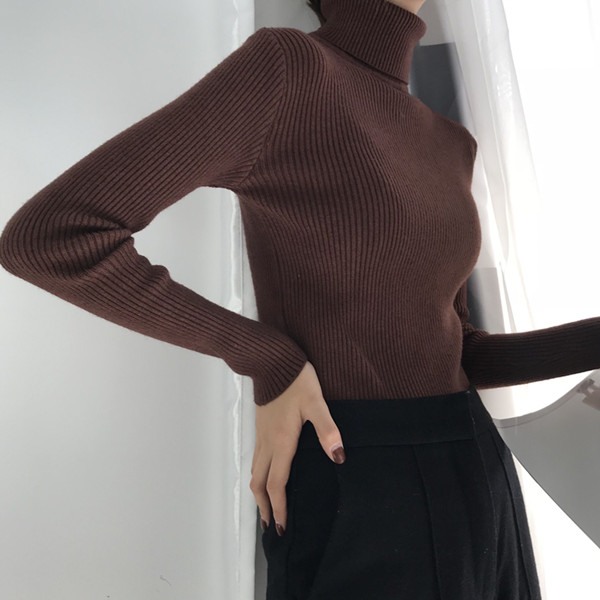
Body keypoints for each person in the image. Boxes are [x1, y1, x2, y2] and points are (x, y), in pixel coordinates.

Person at [2, 0, 600, 597]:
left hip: (478, 469)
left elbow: (457, 348)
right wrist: (270, 359)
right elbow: (51, 237)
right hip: (358, 475)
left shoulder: (451, 141)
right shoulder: (290, 70)